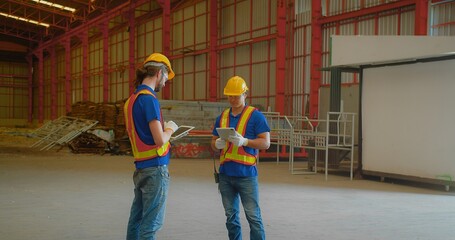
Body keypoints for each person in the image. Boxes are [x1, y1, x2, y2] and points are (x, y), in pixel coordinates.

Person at [124, 53, 178, 240]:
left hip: (141, 167)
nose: (165, 82)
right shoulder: (149, 99)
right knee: (150, 225)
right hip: (155, 169)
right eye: (166, 77)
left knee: (136, 220)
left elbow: (143, 134)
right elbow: (159, 139)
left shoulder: (131, 100)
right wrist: (170, 129)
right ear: (160, 73)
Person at [211, 76, 271, 240]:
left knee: (253, 217)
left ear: (245, 94)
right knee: (231, 218)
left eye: (236, 95)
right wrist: (216, 144)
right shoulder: (222, 117)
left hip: (246, 176)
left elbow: (266, 143)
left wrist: (245, 141)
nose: (232, 99)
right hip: (225, 175)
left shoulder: (256, 116)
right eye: (230, 95)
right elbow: (212, 142)